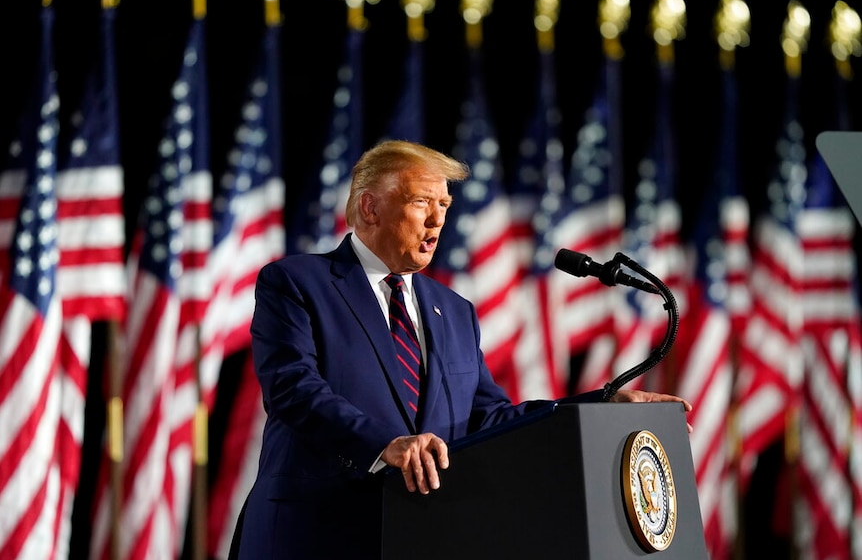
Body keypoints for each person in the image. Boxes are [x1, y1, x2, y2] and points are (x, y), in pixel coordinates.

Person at [231, 140, 692, 559]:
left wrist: (603, 407)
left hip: (419, 536)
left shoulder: (453, 311)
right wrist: (383, 445)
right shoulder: (296, 283)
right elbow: (294, 389)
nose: (437, 220)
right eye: (421, 203)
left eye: (444, 205)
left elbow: (490, 420)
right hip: (313, 534)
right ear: (370, 208)